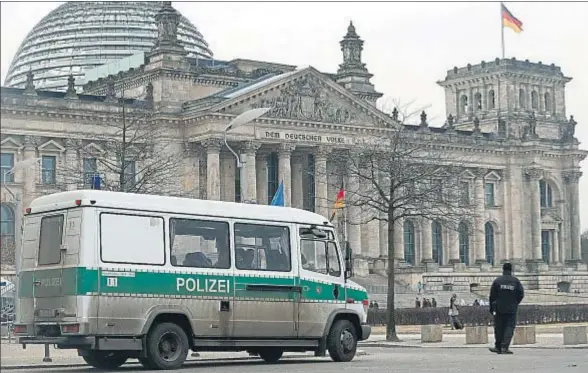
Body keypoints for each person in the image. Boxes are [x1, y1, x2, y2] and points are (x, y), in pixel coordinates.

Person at [489, 262, 525, 355]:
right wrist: (515, 303)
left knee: (499, 328)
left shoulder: (497, 281)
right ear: (511, 270)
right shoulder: (516, 281)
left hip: (499, 308)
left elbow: (492, 296)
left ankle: (498, 347)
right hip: (511, 308)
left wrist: (491, 308)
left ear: (503, 270)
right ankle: (504, 347)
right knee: (509, 327)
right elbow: (521, 294)